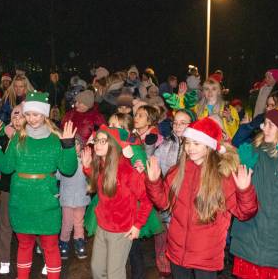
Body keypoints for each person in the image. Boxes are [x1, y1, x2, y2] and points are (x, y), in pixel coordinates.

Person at [145, 117, 258, 279]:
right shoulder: (178, 171)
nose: (190, 148)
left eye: (196, 143)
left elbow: (244, 213)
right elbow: (163, 203)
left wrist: (244, 190)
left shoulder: (223, 176)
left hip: (206, 256)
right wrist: (154, 182)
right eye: (188, 143)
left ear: (210, 146)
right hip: (177, 252)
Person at [0, 91, 78, 279]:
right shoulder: (18, 138)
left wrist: (68, 146)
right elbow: (6, 167)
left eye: (36, 114)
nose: (31, 118)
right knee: (24, 244)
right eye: (28, 114)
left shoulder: (54, 139)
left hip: (46, 202)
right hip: (21, 202)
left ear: (44, 114)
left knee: (51, 246)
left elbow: (68, 169)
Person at [231, 105, 278, 279]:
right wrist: (245, 168)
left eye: (270, 125)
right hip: (250, 240)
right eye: (264, 123)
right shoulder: (253, 152)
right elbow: (238, 196)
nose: (263, 128)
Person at [81, 125, 153, 279]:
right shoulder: (101, 165)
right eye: (97, 141)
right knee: (97, 269)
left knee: (115, 273)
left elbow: (147, 201)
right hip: (103, 226)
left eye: (103, 141)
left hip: (122, 230)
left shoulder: (127, 171)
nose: (98, 145)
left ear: (113, 145)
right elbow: (98, 185)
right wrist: (87, 168)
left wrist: (137, 225)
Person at [152, 109, 195, 277]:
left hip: (190, 204)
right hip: (171, 202)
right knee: (171, 238)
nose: (177, 126)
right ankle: (171, 268)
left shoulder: (196, 147)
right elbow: (155, 163)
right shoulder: (166, 145)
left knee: (189, 240)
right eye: (175, 122)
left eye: (182, 123)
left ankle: (190, 267)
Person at [0, 103, 25, 275]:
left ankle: (42, 253)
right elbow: (0, 160)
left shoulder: (32, 136)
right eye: (14, 115)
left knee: (28, 224)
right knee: (5, 226)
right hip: (7, 187)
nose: (16, 118)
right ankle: (5, 260)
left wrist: (15, 137)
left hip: (25, 187)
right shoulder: (4, 135)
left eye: (20, 115)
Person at [57, 135, 91, 260]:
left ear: (81, 146)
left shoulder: (85, 160)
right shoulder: (63, 161)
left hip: (81, 198)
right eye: (71, 144)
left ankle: (79, 242)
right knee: (66, 223)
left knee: (78, 222)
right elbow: (57, 177)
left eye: (77, 144)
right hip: (67, 198)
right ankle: (64, 243)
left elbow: (90, 176)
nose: (74, 146)